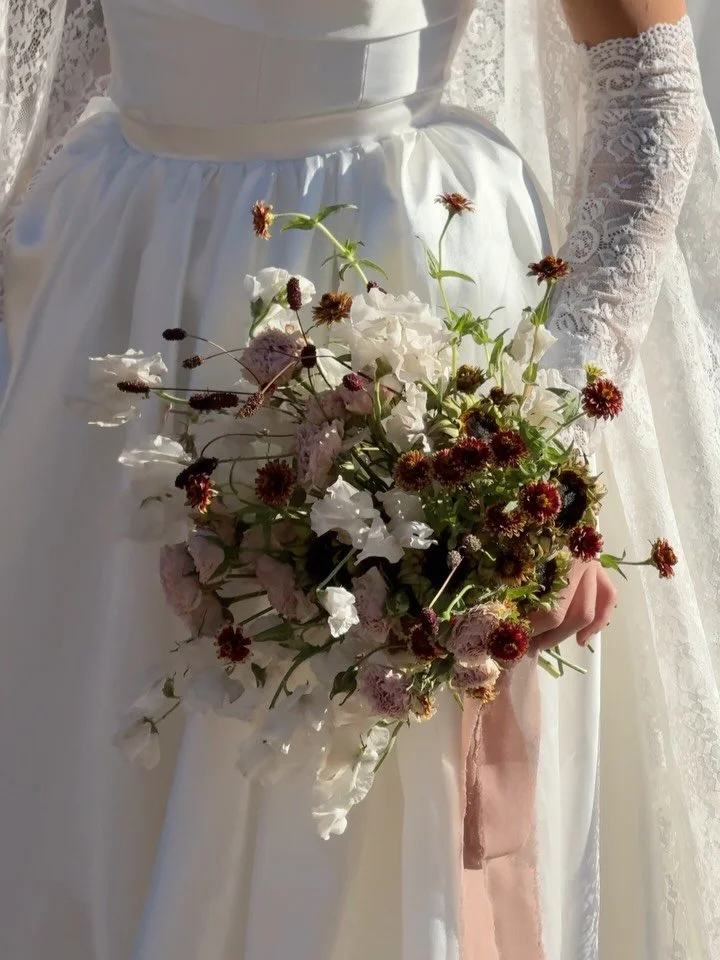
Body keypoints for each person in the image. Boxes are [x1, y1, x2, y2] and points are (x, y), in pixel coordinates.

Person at [0, 1, 718, 958]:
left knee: (348, 776)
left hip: (385, 271)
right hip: (118, 281)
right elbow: (78, 44)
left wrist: (547, 436)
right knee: (91, 731)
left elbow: (651, 95)